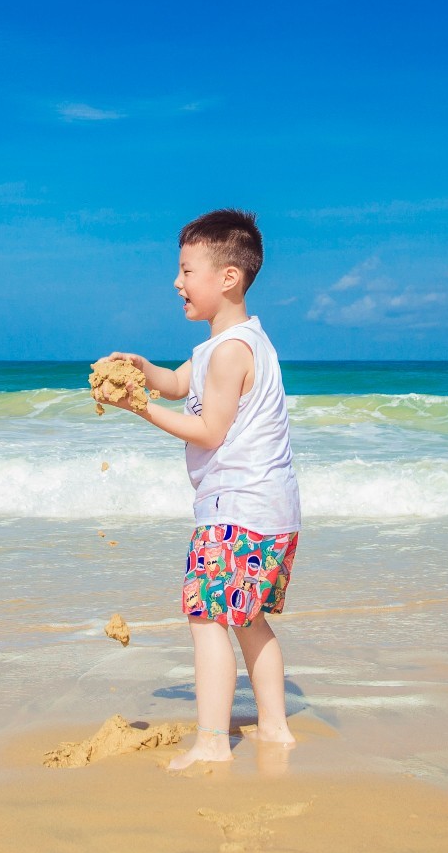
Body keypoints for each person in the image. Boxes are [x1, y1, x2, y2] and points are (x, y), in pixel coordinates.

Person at [100, 208, 301, 770]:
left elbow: (210, 431)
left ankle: (213, 740)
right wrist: (143, 370)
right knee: (246, 618)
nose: (176, 282)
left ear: (228, 278)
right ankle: (276, 727)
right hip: (270, 509)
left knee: (208, 617)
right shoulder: (226, 346)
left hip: (236, 508)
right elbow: (176, 385)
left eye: (187, 271)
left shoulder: (231, 351)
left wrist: (137, 408)